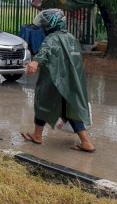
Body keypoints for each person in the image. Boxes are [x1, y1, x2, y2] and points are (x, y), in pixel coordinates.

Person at [22, 9, 95, 153]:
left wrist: (35, 62)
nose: (42, 26)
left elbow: (45, 51)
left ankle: (37, 135)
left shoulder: (52, 38)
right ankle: (86, 142)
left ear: (52, 24)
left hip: (54, 79)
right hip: (72, 81)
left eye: (45, 23)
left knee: (42, 103)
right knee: (70, 108)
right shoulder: (71, 38)